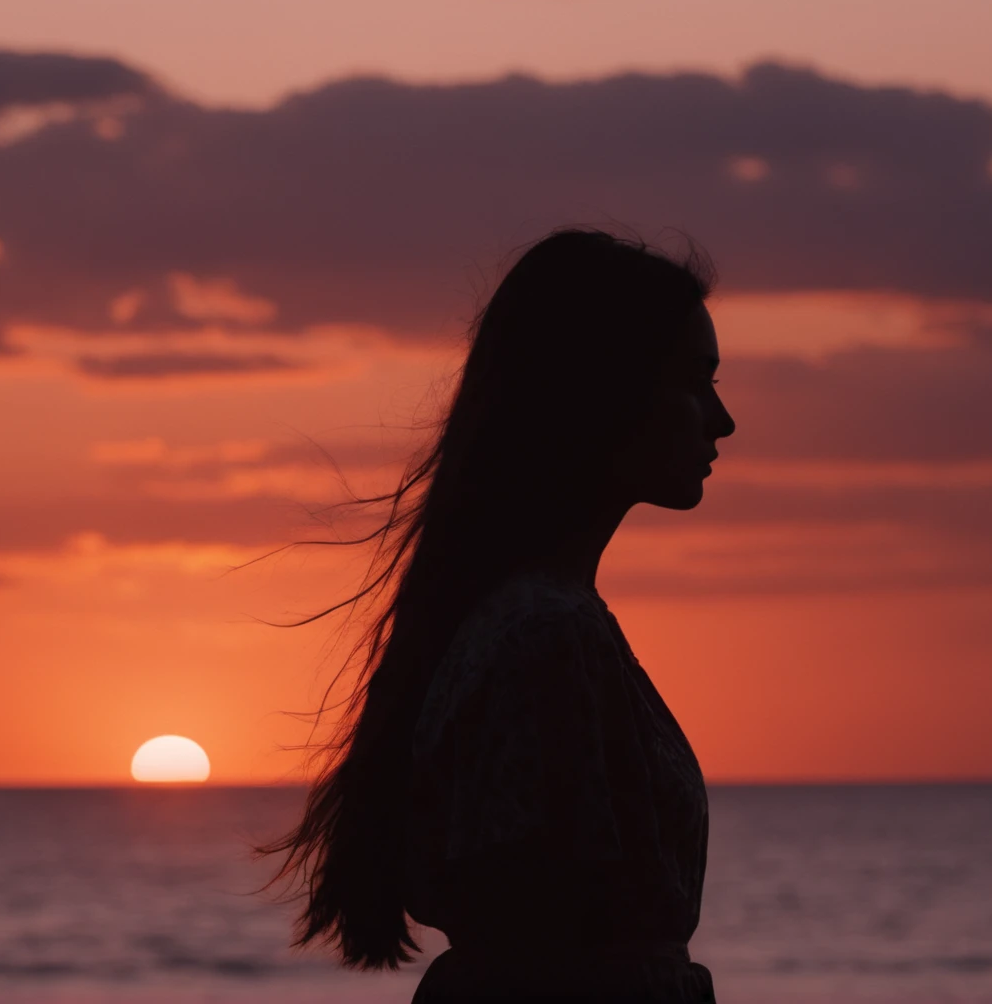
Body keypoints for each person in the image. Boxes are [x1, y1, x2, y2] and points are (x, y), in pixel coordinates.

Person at [261, 228, 734, 1001]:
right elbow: (545, 959)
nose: (722, 420)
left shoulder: (540, 624)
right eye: (694, 381)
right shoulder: (547, 638)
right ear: (603, 388)